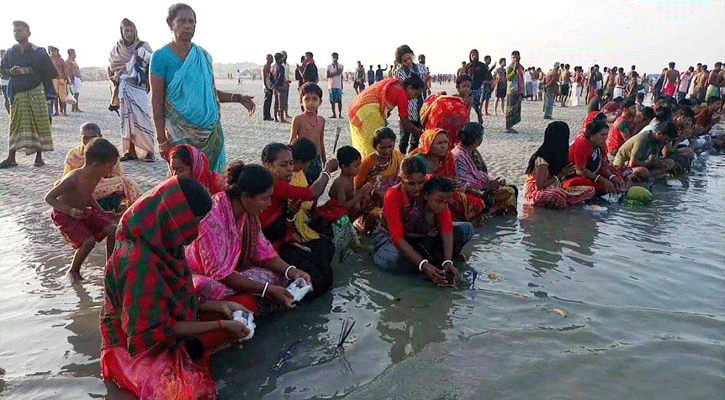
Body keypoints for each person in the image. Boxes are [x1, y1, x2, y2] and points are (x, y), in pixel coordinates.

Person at [100, 176, 252, 400]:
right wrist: (221, 323)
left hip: (167, 327)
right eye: (195, 221)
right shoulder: (137, 260)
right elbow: (151, 332)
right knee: (188, 393)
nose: (197, 230)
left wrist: (221, 306)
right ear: (176, 218)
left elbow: (176, 300)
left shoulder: (166, 241)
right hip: (132, 346)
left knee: (244, 307)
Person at [185, 161, 311, 312]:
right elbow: (220, 274)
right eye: (265, 198)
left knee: (281, 276)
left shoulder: (247, 214)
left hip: (232, 272)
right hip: (201, 275)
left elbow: (263, 251)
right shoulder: (213, 217)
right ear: (245, 196)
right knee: (210, 287)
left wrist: (292, 270)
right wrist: (267, 290)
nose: (269, 203)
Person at [150, 3, 254, 173]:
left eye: (191, 22)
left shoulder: (204, 56)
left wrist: (238, 98)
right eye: (182, 21)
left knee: (212, 180)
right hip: (179, 133)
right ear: (170, 24)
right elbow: (156, 100)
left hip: (211, 132)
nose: (188, 26)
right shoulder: (160, 57)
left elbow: (211, 93)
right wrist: (161, 140)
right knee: (184, 182)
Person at [373, 157, 473, 284]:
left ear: (425, 178)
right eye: (411, 183)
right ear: (401, 180)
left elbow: (446, 225)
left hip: (422, 237)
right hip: (392, 241)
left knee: (466, 229)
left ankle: (436, 260)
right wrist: (423, 265)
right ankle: (428, 261)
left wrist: (448, 261)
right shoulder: (393, 195)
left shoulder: (432, 186)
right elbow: (397, 239)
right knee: (395, 259)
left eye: (421, 182)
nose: (417, 188)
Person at [259, 143, 337, 295]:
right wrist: (327, 170)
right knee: (320, 280)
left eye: (291, 163)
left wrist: (290, 215)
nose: (289, 169)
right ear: (267, 165)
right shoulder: (273, 184)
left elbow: (283, 219)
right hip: (269, 248)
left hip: (281, 239)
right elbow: (313, 193)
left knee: (325, 247)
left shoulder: (283, 182)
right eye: (283, 165)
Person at [46, 138, 119, 281]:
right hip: (64, 214)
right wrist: (69, 210)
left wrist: (101, 212)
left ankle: (110, 265)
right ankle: (73, 270)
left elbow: (88, 195)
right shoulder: (73, 178)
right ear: (96, 165)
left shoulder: (96, 175)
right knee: (88, 242)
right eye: (110, 167)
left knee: (113, 229)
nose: (111, 171)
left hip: (83, 211)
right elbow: (49, 197)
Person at [0, 21, 57, 169]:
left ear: (28, 33)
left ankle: (39, 157)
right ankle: (11, 157)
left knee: (39, 122)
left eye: (20, 30)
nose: (17, 33)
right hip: (17, 92)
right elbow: (3, 69)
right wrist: (11, 72)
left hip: (35, 90)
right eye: (14, 31)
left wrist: (28, 70)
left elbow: (49, 72)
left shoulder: (38, 51)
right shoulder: (10, 52)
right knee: (15, 124)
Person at [60, 123, 140, 215]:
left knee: (125, 182)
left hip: (103, 184)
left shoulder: (108, 151)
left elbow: (117, 175)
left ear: (100, 136)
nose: (88, 140)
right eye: (85, 137)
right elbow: (66, 176)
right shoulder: (74, 154)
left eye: (93, 137)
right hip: (79, 186)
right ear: (80, 137)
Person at [410, 129, 486, 222]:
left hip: (446, 193)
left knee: (478, 203)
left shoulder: (449, 158)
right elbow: (416, 183)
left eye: (445, 142)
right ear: (429, 144)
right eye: (439, 143)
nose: (444, 146)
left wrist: (455, 184)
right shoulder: (418, 160)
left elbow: (454, 179)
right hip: (423, 195)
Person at [109, 19, 156, 162]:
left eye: (131, 30)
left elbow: (152, 64)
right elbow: (111, 67)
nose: (129, 33)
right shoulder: (116, 49)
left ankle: (149, 151)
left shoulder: (143, 46)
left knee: (143, 118)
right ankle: (130, 151)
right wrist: (114, 78)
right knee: (126, 120)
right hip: (123, 86)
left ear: (135, 31)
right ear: (121, 32)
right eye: (126, 31)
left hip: (139, 87)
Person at [348, 75, 425, 157]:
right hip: (368, 111)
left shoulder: (394, 82)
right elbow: (405, 122)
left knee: (363, 142)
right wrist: (422, 134)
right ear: (409, 88)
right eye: (415, 94)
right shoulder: (402, 94)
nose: (414, 98)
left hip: (357, 106)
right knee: (374, 146)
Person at [523, 121, 596, 208]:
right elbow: (539, 187)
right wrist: (560, 174)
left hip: (555, 188)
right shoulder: (542, 159)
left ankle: (563, 202)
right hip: (536, 192)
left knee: (590, 190)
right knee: (558, 195)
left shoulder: (558, 156)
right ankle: (563, 202)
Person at [451, 122, 517, 215]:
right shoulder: (458, 155)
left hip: (480, 189)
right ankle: (490, 211)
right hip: (470, 193)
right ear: (476, 140)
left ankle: (494, 210)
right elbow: (463, 184)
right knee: (509, 192)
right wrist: (486, 185)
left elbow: (482, 173)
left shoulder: (473, 152)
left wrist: (494, 182)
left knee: (510, 189)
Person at [563, 120, 625, 195]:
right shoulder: (582, 143)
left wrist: (612, 177)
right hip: (574, 176)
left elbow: (603, 167)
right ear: (592, 135)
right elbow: (580, 170)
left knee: (618, 178)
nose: (605, 138)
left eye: (606, 135)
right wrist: (602, 180)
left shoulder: (600, 145)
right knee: (598, 188)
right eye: (602, 135)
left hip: (592, 174)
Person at [394, 45, 429, 154]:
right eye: (405, 60)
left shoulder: (422, 68)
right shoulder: (399, 72)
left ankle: (412, 160)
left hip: (421, 107)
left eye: (409, 58)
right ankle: (401, 160)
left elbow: (426, 81)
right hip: (407, 109)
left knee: (416, 140)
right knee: (404, 139)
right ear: (400, 61)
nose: (408, 62)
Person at [354, 127, 404, 204]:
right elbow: (357, 188)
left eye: (390, 147)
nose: (387, 151)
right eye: (382, 148)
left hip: (396, 196)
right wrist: (374, 192)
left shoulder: (398, 157)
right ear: (375, 147)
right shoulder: (368, 162)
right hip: (373, 200)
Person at [613, 121, 678, 180]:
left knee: (670, 162)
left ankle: (650, 176)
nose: (666, 142)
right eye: (666, 139)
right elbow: (632, 164)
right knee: (643, 171)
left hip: (641, 163)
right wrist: (651, 164)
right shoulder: (642, 140)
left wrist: (658, 163)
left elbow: (653, 159)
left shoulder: (658, 141)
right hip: (623, 166)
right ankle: (651, 176)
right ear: (659, 133)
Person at [290, 83, 326, 183]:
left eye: (315, 99)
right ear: (301, 102)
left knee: (316, 186)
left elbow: (321, 141)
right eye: (307, 99)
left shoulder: (321, 120)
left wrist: (324, 161)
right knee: (303, 186)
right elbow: (292, 141)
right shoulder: (298, 119)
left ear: (320, 102)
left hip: (317, 159)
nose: (311, 103)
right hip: (303, 160)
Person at [420, 84, 469, 151]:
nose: (466, 89)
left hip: (440, 118)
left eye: (468, 86)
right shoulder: (461, 101)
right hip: (458, 118)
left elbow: (424, 120)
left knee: (435, 139)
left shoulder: (433, 102)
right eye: (464, 86)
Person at [465, 49, 491, 123]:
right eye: (472, 55)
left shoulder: (481, 65)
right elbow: (465, 75)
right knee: (467, 105)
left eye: (475, 54)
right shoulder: (468, 66)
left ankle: (479, 115)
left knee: (476, 105)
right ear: (470, 56)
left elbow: (487, 74)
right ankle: (467, 121)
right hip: (468, 88)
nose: (474, 56)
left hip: (477, 88)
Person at [506, 51, 525, 133]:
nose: (515, 59)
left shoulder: (520, 67)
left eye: (516, 57)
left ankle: (511, 125)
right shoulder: (510, 67)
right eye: (513, 57)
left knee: (516, 109)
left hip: (519, 90)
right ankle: (508, 126)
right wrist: (514, 70)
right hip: (512, 90)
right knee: (511, 109)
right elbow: (509, 78)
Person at [48, 46, 68, 117]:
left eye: (53, 51)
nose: (52, 53)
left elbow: (65, 69)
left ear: (57, 51)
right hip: (53, 79)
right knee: (55, 96)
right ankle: (56, 111)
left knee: (62, 96)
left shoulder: (61, 60)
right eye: (50, 51)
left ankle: (63, 111)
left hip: (61, 79)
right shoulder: (50, 60)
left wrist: (66, 78)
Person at [270, 52, 287, 123]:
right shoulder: (281, 67)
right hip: (280, 86)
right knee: (281, 102)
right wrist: (276, 84)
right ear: (279, 59)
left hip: (275, 87)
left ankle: (275, 117)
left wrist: (272, 85)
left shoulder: (273, 67)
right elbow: (280, 77)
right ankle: (281, 118)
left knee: (276, 102)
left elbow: (270, 77)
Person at [327, 52, 344, 118]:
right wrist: (335, 73)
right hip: (331, 85)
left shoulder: (341, 66)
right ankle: (334, 114)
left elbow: (339, 72)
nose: (334, 58)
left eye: (335, 57)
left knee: (339, 100)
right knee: (332, 101)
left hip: (338, 85)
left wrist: (336, 66)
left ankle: (340, 114)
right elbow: (328, 75)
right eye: (333, 57)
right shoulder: (329, 66)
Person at [262, 53, 274, 121]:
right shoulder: (266, 67)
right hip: (267, 86)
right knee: (267, 101)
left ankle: (268, 115)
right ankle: (266, 116)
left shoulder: (269, 66)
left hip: (270, 86)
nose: (272, 59)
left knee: (269, 101)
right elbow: (265, 78)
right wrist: (266, 87)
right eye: (271, 58)